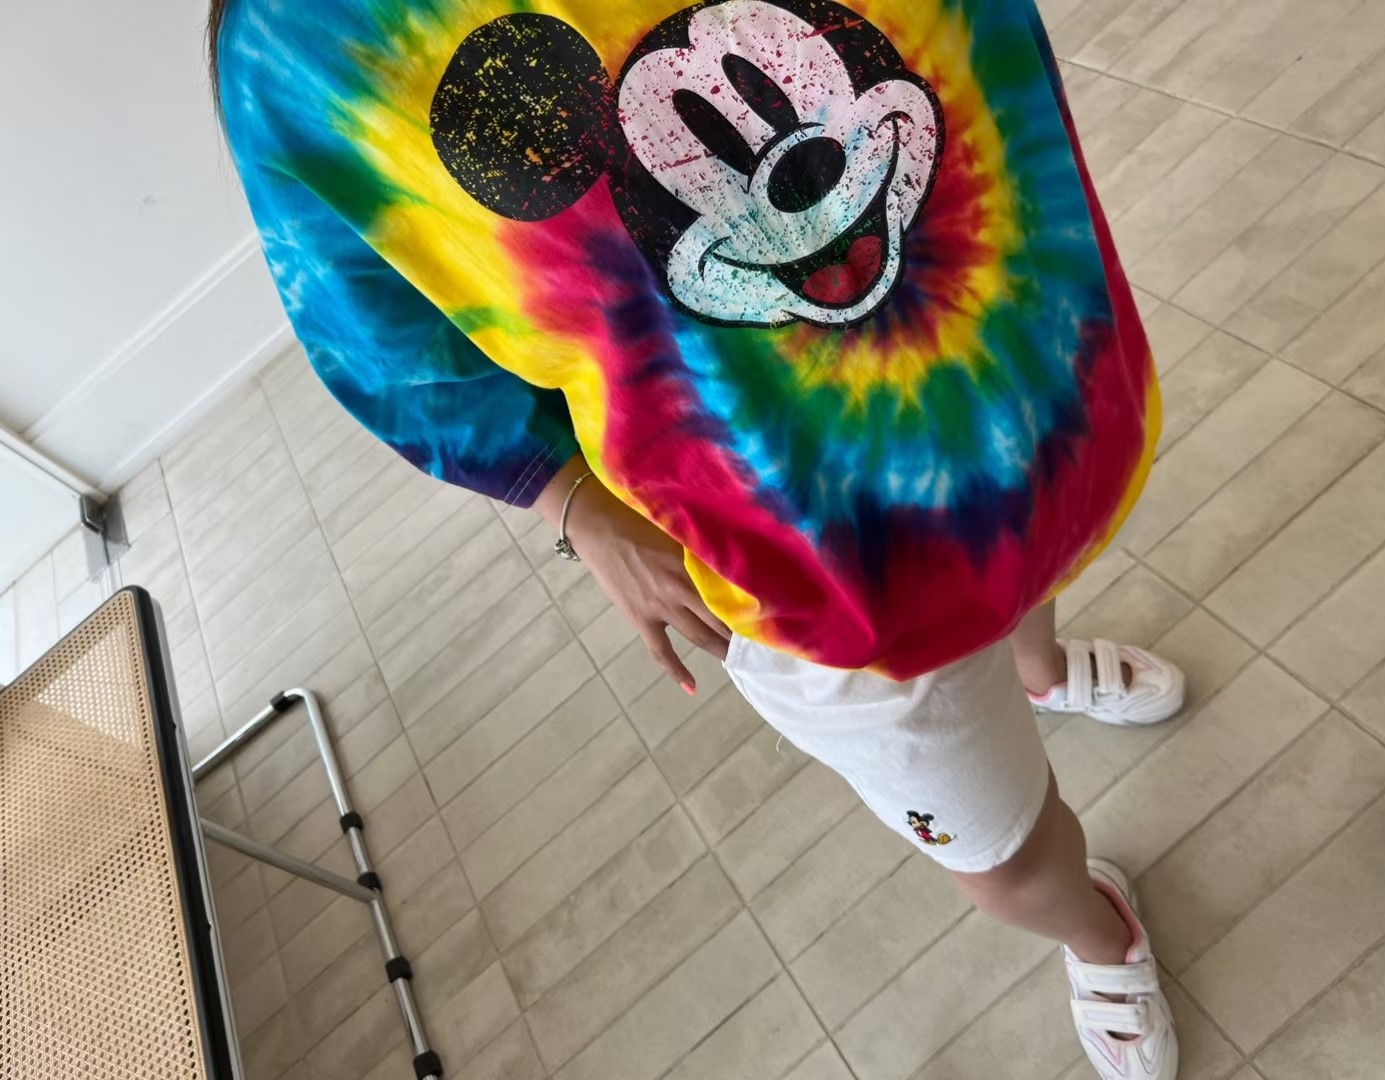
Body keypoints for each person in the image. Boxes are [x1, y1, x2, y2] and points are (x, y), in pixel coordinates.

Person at [212, 1, 1186, 1075]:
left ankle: (1038, 668)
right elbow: (380, 330)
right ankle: (1095, 929)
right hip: (788, 542)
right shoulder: (298, 42)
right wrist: (568, 501)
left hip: (1010, 361)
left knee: (1039, 546)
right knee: (999, 850)